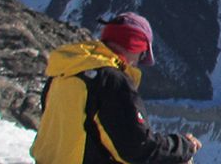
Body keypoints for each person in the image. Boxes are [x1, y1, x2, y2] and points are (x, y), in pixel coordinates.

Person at [31, 12, 202, 164]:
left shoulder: (65, 72)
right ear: (136, 47)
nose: (138, 63)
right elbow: (137, 148)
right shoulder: (110, 81)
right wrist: (183, 147)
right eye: (142, 55)